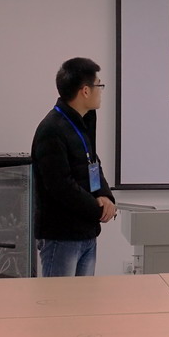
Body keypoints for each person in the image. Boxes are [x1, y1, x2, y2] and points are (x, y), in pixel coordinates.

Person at [32, 57, 117, 277]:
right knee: (59, 298)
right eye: (99, 85)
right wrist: (96, 208)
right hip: (61, 236)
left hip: (86, 233)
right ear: (85, 91)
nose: (101, 91)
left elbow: (92, 163)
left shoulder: (83, 121)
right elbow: (60, 186)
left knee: (83, 299)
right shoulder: (52, 129)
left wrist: (104, 195)